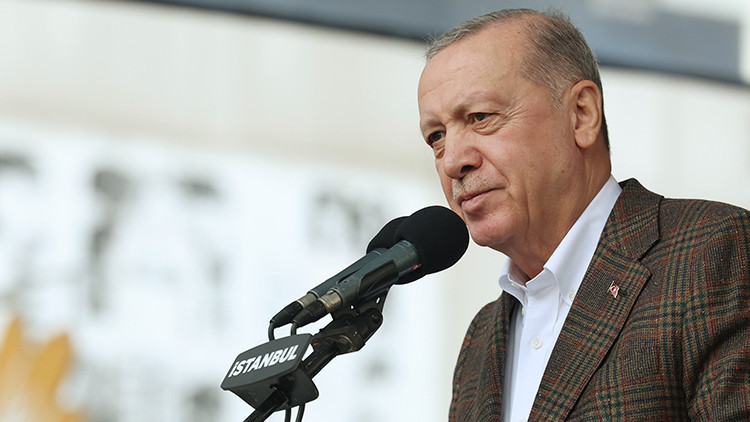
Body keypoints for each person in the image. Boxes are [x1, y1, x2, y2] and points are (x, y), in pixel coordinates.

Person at [416, 8, 750, 421]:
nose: (452, 161)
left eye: (480, 117)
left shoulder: (713, 252)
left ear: (582, 114)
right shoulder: (480, 339)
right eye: (436, 136)